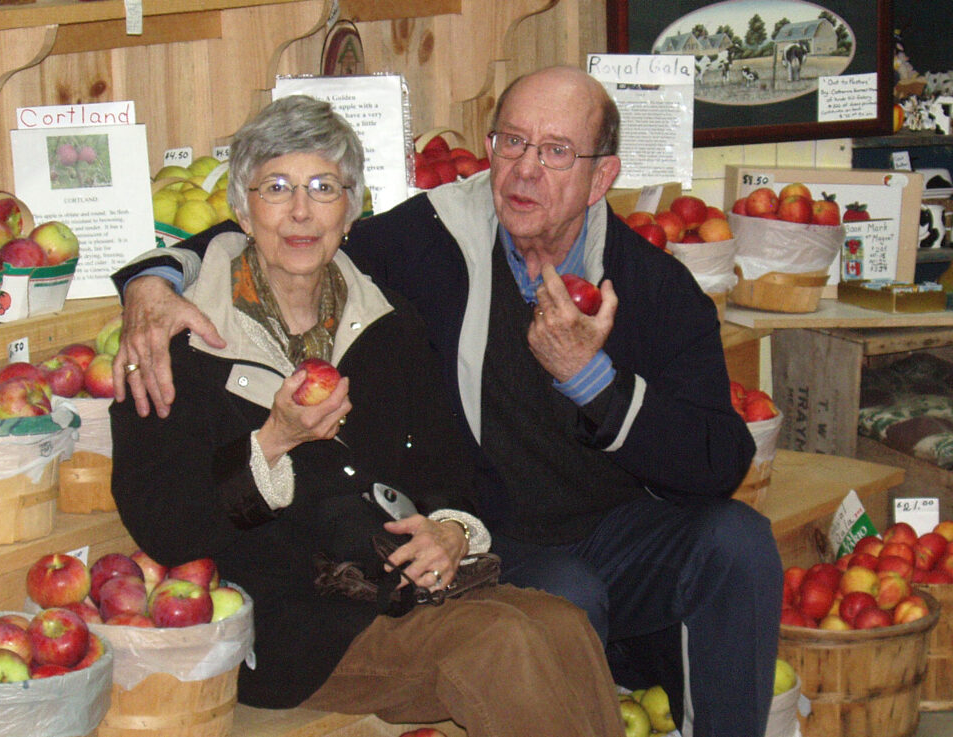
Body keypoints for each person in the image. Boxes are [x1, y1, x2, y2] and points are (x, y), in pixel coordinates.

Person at [113, 66, 783, 736]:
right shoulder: (420, 245)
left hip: (567, 536)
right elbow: (281, 239)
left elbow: (719, 461)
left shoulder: (649, 285)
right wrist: (154, 276)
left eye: (554, 152)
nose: (525, 170)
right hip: (390, 580)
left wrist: (594, 384)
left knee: (735, 542)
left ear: (602, 176)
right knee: (552, 612)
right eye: (512, 143)